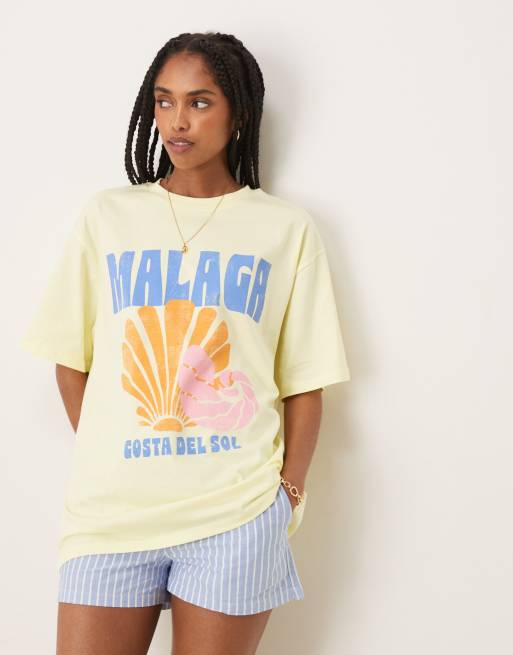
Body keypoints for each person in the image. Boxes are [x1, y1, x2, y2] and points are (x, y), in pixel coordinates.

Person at [19, 31, 351, 655]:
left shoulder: (286, 229)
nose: (177, 120)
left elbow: (306, 384)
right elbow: (70, 360)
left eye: (200, 102)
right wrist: (110, 454)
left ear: (238, 113)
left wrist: (287, 496)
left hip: (236, 513)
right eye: (164, 100)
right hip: (110, 515)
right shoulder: (107, 216)